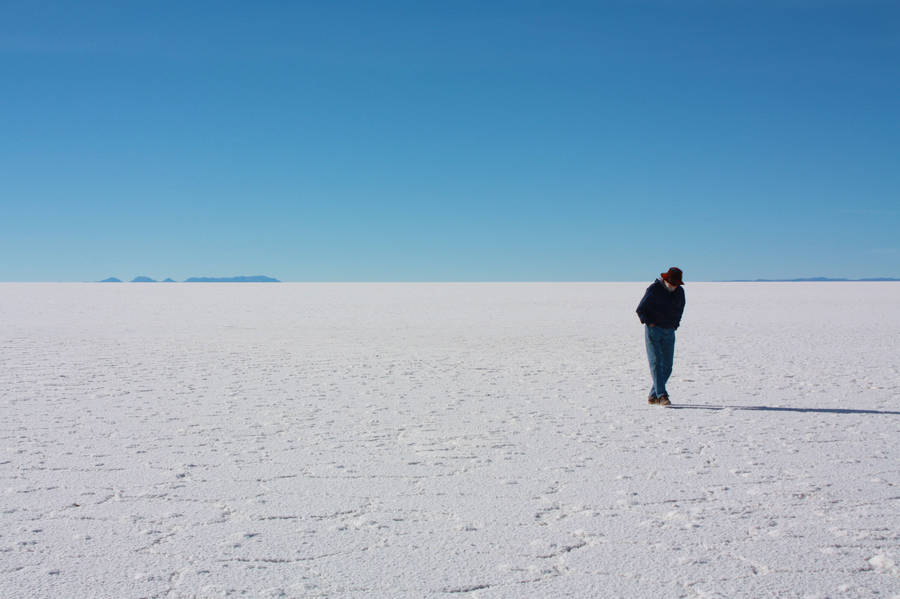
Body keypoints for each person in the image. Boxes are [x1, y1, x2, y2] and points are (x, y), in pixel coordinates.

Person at [636, 267, 685, 406]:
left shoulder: (680, 292)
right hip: (654, 330)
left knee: (668, 366)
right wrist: (650, 323)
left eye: (676, 284)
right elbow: (641, 309)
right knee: (656, 363)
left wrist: (675, 324)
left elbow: (681, 309)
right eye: (672, 283)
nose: (674, 287)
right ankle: (662, 395)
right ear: (666, 280)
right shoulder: (654, 289)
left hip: (669, 331)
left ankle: (653, 395)